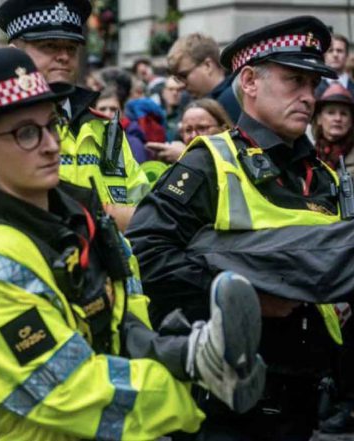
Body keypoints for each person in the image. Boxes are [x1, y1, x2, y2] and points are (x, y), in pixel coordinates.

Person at [0, 46, 266, 441]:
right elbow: (66, 390)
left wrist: (177, 354)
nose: (52, 144)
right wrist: (195, 385)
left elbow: (123, 304)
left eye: (51, 124)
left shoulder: (81, 215)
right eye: (26, 133)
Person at [127, 16, 347, 440]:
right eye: (294, 81)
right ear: (248, 82)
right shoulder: (208, 161)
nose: (308, 96)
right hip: (230, 404)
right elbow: (145, 253)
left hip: (312, 400)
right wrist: (246, 294)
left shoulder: (324, 177)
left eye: (313, 84)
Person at [0, 0, 150, 232]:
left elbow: (144, 210)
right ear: (15, 55)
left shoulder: (105, 129)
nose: (63, 56)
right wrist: (110, 217)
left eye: (71, 47)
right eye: (49, 46)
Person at [167, 33, 240, 123]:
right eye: (178, 78)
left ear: (207, 65)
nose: (181, 85)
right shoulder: (190, 101)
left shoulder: (232, 98)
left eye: (184, 75)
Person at [147, 98, 233, 164]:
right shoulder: (176, 161)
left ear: (224, 129)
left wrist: (185, 157)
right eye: (188, 130)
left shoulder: (238, 156)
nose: (194, 136)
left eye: (202, 128)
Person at [312, 82, 354, 172]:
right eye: (331, 112)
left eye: (344, 114)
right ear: (319, 119)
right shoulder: (309, 154)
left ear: (351, 121)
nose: (338, 118)